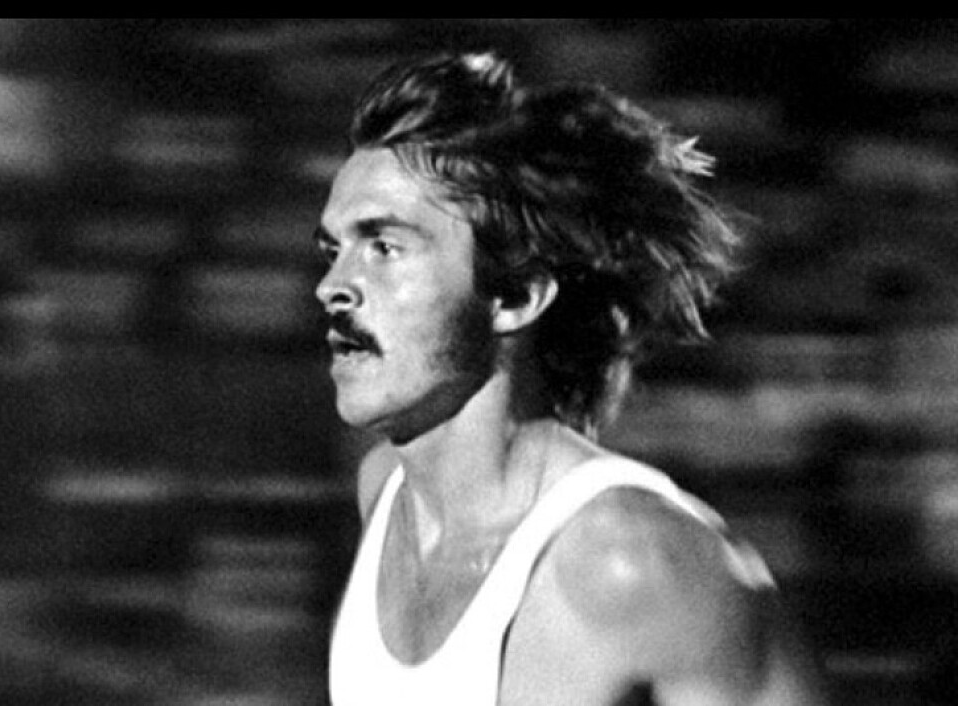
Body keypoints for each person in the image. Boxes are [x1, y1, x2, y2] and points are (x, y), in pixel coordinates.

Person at [316, 51, 828, 705]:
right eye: (333, 250)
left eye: (385, 247)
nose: (333, 286)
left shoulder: (639, 564)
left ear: (516, 297)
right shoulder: (386, 494)